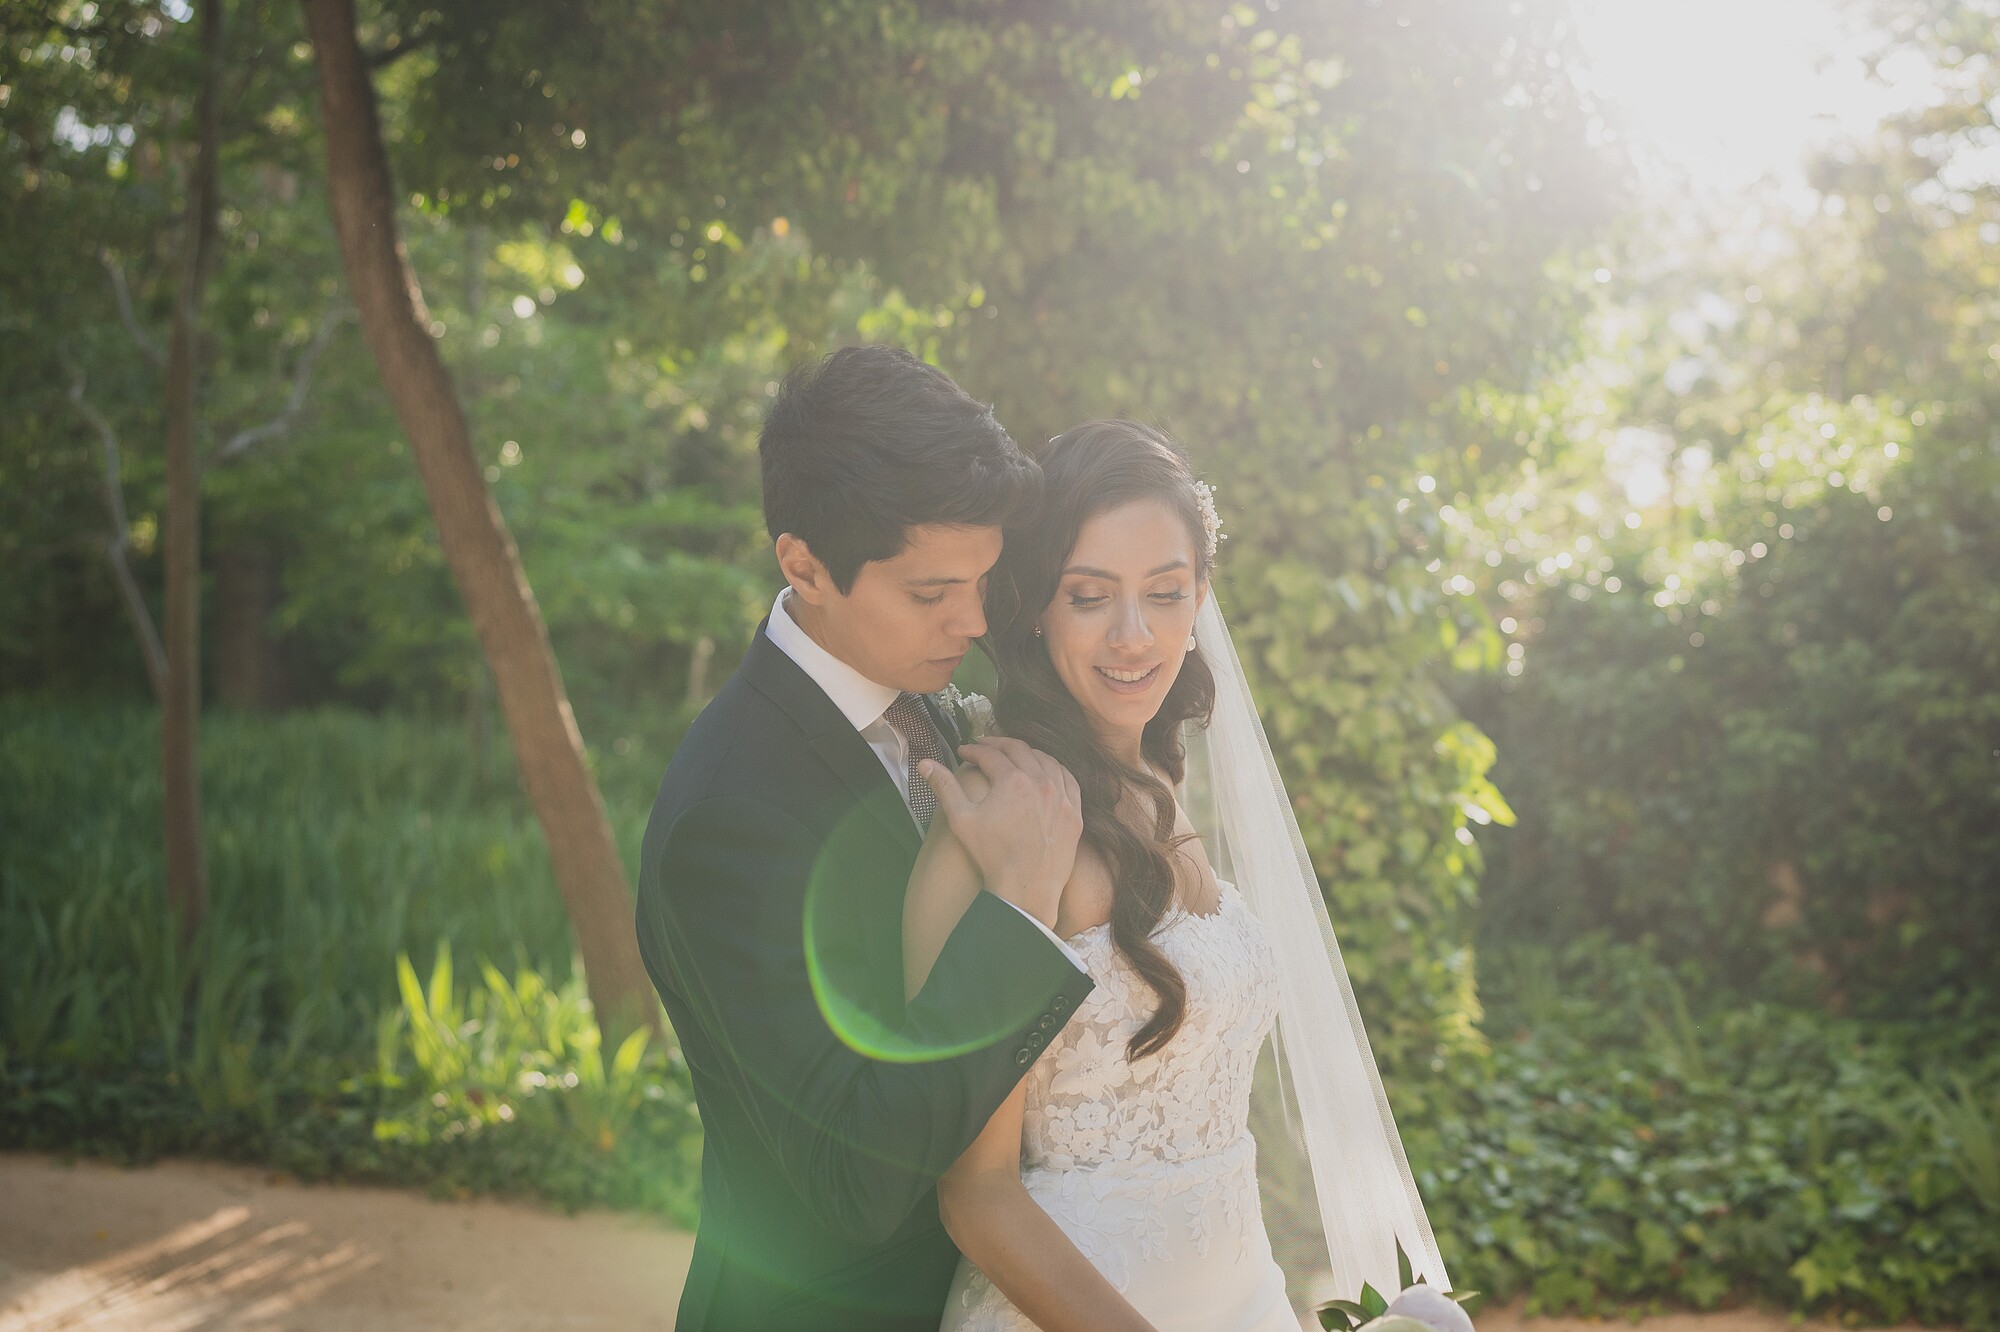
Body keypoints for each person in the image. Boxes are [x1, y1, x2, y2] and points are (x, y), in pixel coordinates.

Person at [906, 421, 1449, 1332]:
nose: (1134, 635)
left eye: (1165, 594)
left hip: (1240, 1294)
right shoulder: (1000, 819)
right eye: (1089, 596)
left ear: (1200, 596)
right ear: (1036, 604)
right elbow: (974, 1193)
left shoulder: (1163, 779)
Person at [635, 345, 1096, 1332]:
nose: (971, 621)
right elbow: (851, 1176)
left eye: (980, 579)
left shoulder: (918, 697)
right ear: (803, 566)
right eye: (931, 595)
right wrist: (1015, 909)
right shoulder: (730, 819)